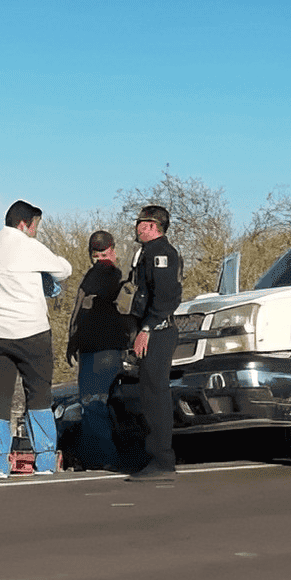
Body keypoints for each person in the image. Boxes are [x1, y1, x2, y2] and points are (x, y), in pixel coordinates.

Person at [0, 200, 74, 477]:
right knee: (38, 394)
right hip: (31, 331)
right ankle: (45, 460)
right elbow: (63, 270)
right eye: (35, 227)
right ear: (24, 224)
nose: (35, 233)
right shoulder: (27, 245)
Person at [66, 230, 134, 471]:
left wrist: (72, 342)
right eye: (98, 255)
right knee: (100, 404)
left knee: (94, 404)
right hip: (103, 347)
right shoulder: (117, 275)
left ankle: (102, 457)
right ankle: (106, 457)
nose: (100, 259)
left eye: (101, 254)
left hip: (98, 348)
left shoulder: (99, 276)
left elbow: (79, 312)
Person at [127, 205, 184, 481]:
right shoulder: (147, 253)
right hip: (151, 330)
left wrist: (147, 328)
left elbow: (166, 297)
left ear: (151, 225)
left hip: (158, 331)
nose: (136, 227)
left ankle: (162, 459)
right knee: (149, 394)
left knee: (156, 394)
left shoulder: (161, 253)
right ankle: (155, 456)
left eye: (140, 223)